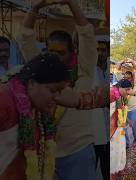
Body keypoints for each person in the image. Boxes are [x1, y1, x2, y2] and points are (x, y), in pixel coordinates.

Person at [16, 1, 99, 179]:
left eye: (60, 53)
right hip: (45, 156)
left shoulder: (83, 73)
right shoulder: (41, 72)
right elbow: (25, 38)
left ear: (72, 53)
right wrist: (35, 8)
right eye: (51, 51)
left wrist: (72, 3)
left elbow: (86, 35)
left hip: (79, 153)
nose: (54, 56)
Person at [0, 53, 69, 180]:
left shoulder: (39, 109)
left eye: (60, 91)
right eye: (53, 90)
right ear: (32, 83)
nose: (57, 97)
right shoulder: (4, 100)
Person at [92, 41, 108, 180]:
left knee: (106, 166)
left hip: (109, 124)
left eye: (103, 50)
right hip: (93, 126)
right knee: (91, 165)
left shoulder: (109, 70)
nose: (100, 53)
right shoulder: (89, 71)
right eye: (97, 50)